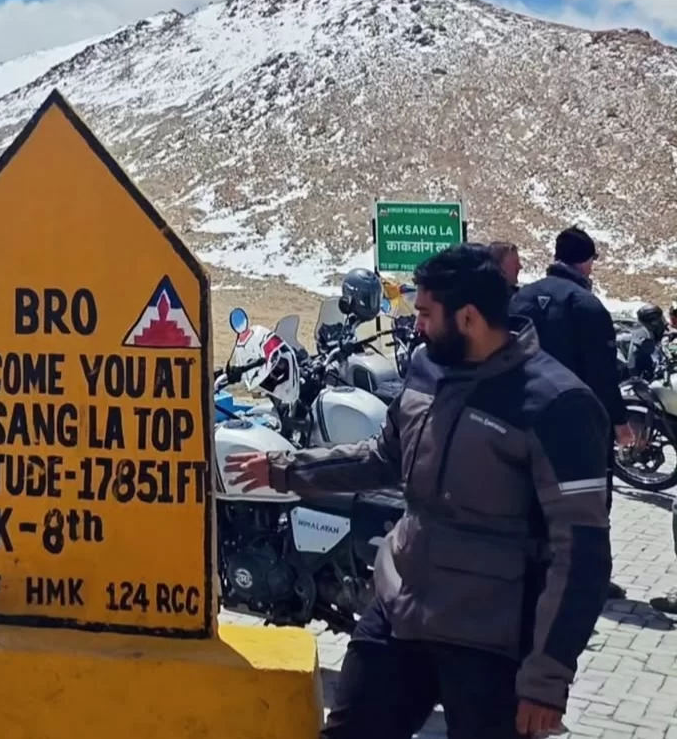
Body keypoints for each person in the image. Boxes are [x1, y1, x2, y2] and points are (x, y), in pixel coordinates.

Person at [226, 243, 611, 739]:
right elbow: (383, 457)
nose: (419, 327)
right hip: (400, 609)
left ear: (468, 317)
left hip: (489, 639)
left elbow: (581, 553)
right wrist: (284, 471)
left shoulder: (557, 404)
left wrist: (547, 678)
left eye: (427, 314)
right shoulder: (428, 367)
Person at [510, 226, 631, 600]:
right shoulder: (587, 306)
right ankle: (587, 580)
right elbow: (602, 374)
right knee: (589, 506)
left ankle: (535, 575)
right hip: (579, 428)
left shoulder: (521, 299)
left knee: (530, 500)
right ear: (584, 262)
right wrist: (620, 422)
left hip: (522, 420)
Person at [626, 303, 666, 381]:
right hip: (640, 366)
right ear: (653, 321)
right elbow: (633, 353)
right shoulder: (642, 333)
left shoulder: (654, 328)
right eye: (659, 319)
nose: (661, 320)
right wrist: (633, 373)